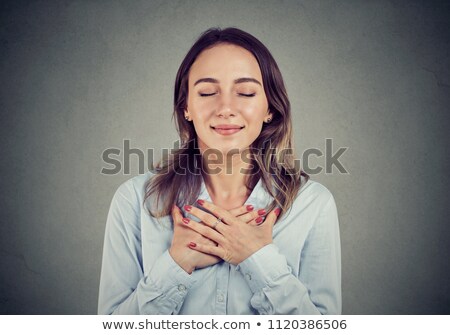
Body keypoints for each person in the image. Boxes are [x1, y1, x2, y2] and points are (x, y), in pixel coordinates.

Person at [98, 27, 341, 315]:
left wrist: (258, 259)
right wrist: (175, 266)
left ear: (269, 108)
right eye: (207, 92)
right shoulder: (135, 201)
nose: (225, 108)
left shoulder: (313, 204)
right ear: (186, 106)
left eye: (246, 92)